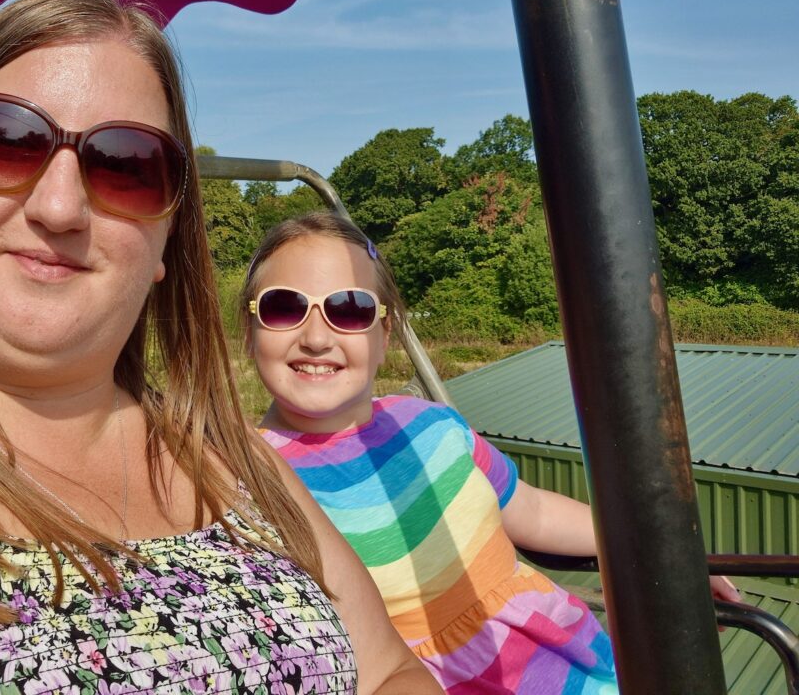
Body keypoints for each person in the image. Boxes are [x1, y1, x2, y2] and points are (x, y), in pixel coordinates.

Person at [0, 0, 442, 694]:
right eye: (4, 140)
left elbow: (389, 669)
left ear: (165, 239)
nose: (58, 206)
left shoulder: (236, 458)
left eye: (125, 165)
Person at [240, 211, 741, 694]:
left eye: (350, 309)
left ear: (385, 334)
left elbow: (531, 510)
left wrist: (664, 550)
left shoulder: (432, 424)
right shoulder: (247, 476)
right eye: (283, 307)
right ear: (250, 329)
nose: (315, 337)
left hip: (567, 662)